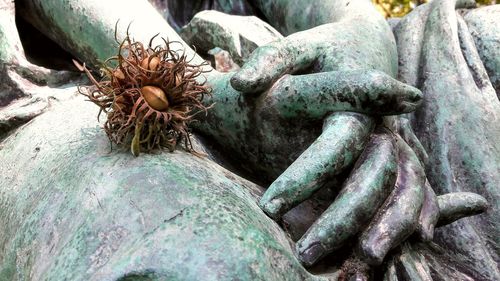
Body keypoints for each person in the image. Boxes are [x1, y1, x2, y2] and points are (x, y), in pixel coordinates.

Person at [0, 0, 496, 280]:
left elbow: (341, 11)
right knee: (206, 264)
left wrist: (364, 60)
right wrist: (210, 98)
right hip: (91, 87)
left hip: (285, 60)